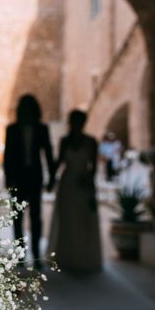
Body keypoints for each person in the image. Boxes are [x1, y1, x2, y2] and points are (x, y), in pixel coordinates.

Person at [4, 95, 55, 268]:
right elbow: (7, 156)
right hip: (18, 178)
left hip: (35, 178)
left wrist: (52, 178)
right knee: (17, 218)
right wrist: (8, 179)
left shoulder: (42, 129)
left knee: (36, 218)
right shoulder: (12, 129)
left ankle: (36, 253)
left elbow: (48, 153)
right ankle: (20, 255)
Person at [48, 110, 102, 272]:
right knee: (67, 219)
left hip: (83, 184)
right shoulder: (64, 141)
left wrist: (89, 183)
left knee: (82, 219)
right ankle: (67, 256)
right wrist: (51, 181)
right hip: (67, 184)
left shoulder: (91, 142)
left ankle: (82, 257)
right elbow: (59, 163)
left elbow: (94, 167)